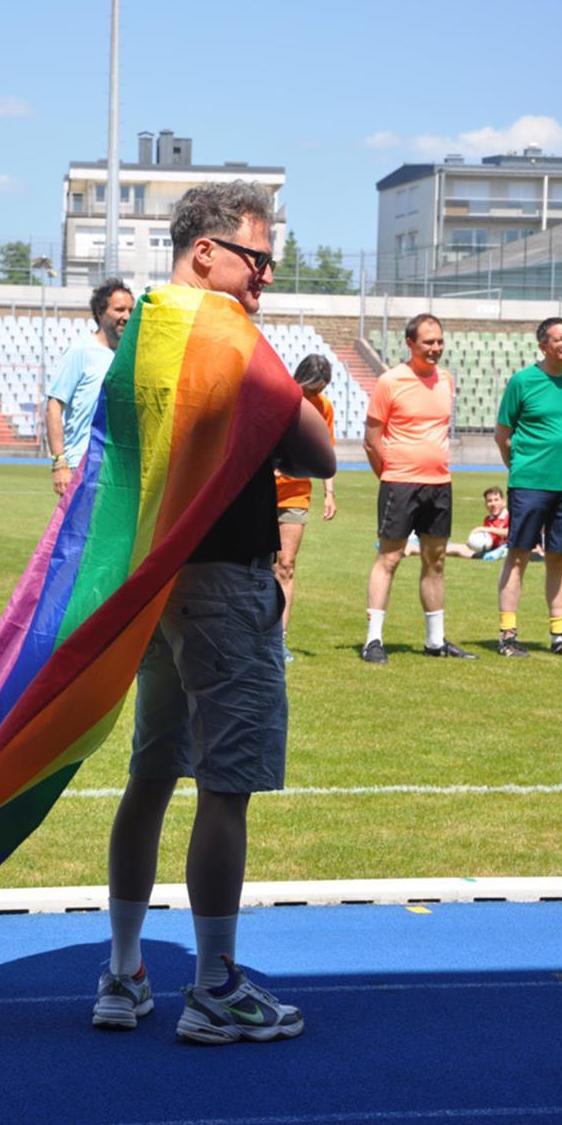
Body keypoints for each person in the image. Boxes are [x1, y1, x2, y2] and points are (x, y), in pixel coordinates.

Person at [92, 182, 335, 1044]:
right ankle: (215, 985)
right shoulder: (224, 328)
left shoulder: (140, 332)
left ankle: (123, 972)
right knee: (226, 784)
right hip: (224, 579)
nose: (264, 279)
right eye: (256, 260)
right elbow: (320, 451)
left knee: (151, 773)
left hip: (150, 580)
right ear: (207, 253)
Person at [361, 313, 476, 663]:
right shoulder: (390, 382)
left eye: (439, 341)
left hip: (440, 484)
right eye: (428, 342)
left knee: (436, 560)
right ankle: (373, 641)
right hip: (400, 484)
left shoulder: (447, 380)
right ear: (410, 343)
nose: (435, 348)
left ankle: (435, 641)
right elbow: (371, 440)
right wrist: (392, 475)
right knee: (390, 558)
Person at [495, 318, 562, 659]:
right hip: (529, 484)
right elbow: (502, 434)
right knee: (518, 556)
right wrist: (519, 468)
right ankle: (507, 634)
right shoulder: (523, 382)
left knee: (559, 558)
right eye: (559, 339)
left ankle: (560, 635)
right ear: (543, 346)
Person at [274, 354, 337, 662]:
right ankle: (253, 636)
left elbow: (325, 451)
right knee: (256, 568)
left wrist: (329, 493)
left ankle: (279, 640)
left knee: (286, 565)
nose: (315, 396)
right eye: (311, 390)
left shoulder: (323, 408)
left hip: (295, 495)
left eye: (320, 390)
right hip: (260, 494)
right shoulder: (277, 397)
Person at [45, 279, 134, 496]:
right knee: (77, 530)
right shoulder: (81, 351)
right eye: (119, 309)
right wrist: (59, 463)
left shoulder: (131, 356)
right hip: (82, 465)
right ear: (100, 312)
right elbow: (54, 406)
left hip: (118, 468)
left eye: (131, 310)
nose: (127, 316)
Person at [404, 485, 509, 559]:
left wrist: (486, 529)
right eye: (489, 501)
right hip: (493, 550)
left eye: (496, 499)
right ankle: (413, 548)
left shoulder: (509, 515)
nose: (493, 503)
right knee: (455, 549)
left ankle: (413, 548)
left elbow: (509, 532)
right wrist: (473, 542)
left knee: (450, 549)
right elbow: (488, 541)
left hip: (508, 549)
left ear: (503, 502)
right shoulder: (488, 519)